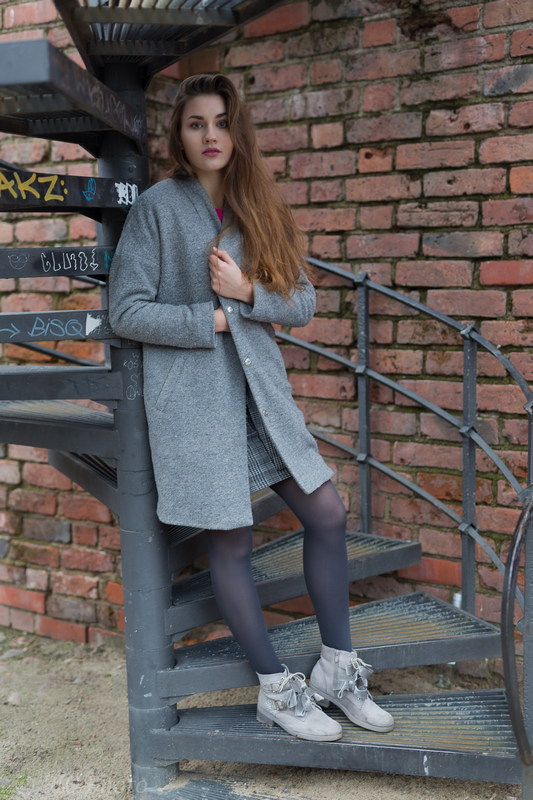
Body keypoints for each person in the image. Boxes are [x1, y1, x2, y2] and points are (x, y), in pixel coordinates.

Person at [109, 73, 393, 742]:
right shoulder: (157, 208)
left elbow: (303, 302)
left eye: (221, 122)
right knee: (231, 541)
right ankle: (275, 687)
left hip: (260, 396)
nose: (210, 135)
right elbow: (125, 311)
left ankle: (337, 669)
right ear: (179, 136)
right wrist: (212, 319)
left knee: (327, 512)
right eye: (196, 124)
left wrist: (245, 291)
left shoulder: (259, 203)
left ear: (238, 132)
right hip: (194, 401)